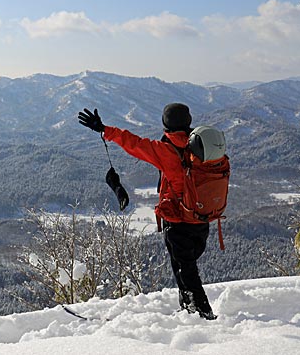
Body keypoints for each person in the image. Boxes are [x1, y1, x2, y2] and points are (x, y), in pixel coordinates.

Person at [78, 103, 217, 320]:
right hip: (202, 217)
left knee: (185, 270)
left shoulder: (167, 151)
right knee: (184, 267)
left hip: (179, 220)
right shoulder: (202, 146)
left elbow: (134, 143)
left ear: (165, 125)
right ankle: (189, 312)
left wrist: (104, 129)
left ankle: (203, 314)